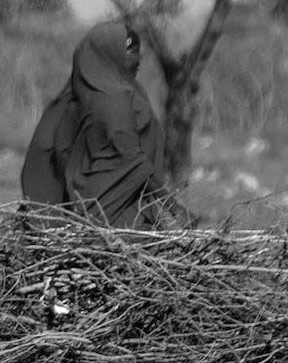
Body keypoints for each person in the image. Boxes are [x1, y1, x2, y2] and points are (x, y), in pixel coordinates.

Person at [21, 19, 189, 228]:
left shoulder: (71, 101)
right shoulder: (114, 99)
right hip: (116, 218)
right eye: (135, 53)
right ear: (115, 54)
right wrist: (173, 207)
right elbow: (132, 161)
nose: (139, 60)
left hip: (80, 215)